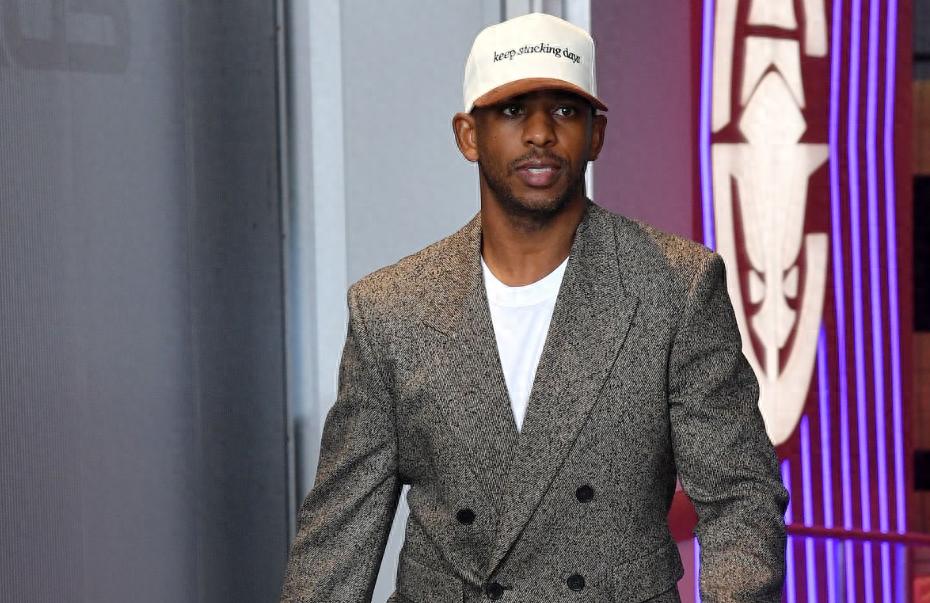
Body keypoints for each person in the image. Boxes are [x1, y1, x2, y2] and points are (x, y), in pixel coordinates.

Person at [279, 12, 788, 603]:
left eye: (565, 110)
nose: (541, 133)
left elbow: (740, 497)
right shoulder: (391, 309)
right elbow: (339, 534)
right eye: (513, 110)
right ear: (468, 135)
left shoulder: (675, 286)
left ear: (596, 134)